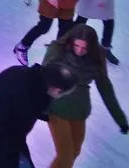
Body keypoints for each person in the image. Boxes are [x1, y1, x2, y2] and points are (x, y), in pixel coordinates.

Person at [0, 62, 78, 168]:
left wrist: (41, 114)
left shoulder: (24, 75)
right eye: (62, 95)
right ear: (56, 89)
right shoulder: (19, 99)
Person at [42, 24, 128, 167]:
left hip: (79, 110)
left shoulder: (97, 57)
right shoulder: (57, 50)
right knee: (65, 156)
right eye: (77, 46)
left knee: (75, 151)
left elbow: (105, 89)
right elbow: (42, 77)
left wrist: (120, 119)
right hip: (56, 108)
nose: (80, 51)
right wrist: (41, 107)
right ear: (71, 42)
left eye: (84, 48)